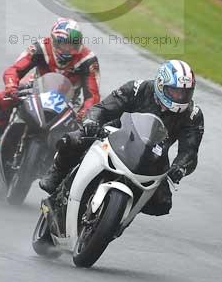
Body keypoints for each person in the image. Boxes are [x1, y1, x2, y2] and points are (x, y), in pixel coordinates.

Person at [39, 59, 204, 217]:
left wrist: (180, 168)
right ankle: (57, 173)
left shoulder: (192, 114)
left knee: (162, 203)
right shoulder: (138, 89)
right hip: (116, 135)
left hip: (154, 156)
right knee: (75, 139)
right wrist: (92, 122)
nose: (180, 97)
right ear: (160, 85)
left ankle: (119, 215)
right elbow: (103, 108)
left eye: (185, 93)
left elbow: (190, 151)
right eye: (175, 91)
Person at [0, 18, 101, 148]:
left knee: (80, 136)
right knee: (1, 98)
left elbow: (93, 95)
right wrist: (11, 86)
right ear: (54, 41)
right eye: (64, 44)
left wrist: (84, 114)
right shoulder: (40, 48)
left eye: (73, 44)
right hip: (35, 89)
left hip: (69, 101)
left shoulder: (88, 59)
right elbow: (14, 69)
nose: (69, 49)